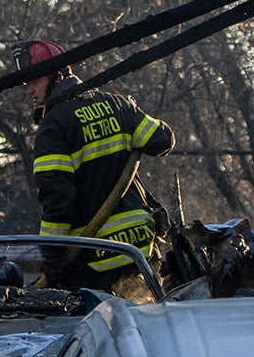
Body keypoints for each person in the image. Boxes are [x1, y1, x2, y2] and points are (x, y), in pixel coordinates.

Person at [22, 40, 169, 293]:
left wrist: (53, 257)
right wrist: (129, 114)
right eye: (27, 83)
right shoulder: (117, 104)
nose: (30, 90)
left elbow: (57, 198)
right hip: (141, 250)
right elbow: (162, 139)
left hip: (95, 258)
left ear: (58, 75)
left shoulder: (54, 126)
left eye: (35, 80)